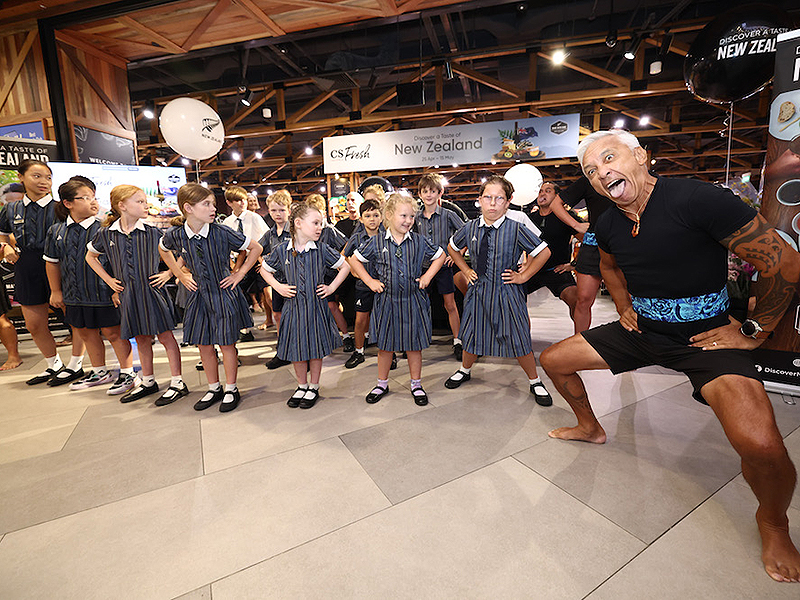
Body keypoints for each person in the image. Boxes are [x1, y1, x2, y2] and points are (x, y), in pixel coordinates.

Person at [540, 128, 800, 583]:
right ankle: (589, 425)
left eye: (609, 158)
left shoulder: (698, 200)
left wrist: (755, 332)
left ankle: (774, 521)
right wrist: (622, 305)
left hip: (708, 340)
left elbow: (784, 262)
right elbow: (607, 264)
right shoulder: (607, 222)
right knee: (554, 361)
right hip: (644, 333)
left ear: (641, 156)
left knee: (762, 445)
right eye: (591, 170)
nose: (602, 172)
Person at [445, 175, 554, 406]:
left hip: (507, 292)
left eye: (499, 198)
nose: (493, 203)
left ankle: (534, 380)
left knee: (519, 336)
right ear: (480, 200)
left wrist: (524, 275)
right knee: (472, 333)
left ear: (508, 201)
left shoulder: (516, 229)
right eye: (488, 198)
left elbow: (543, 252)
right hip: (478, 291)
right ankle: (465, 370)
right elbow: (452, 248)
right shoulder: (470, 227)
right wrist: (464, 269)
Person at [159, 183, 262, 412]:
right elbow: (163, 249)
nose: (213, 208)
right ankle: (214, 387)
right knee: (203, 344)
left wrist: (240, 273)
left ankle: (231, 388)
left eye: (213, 204)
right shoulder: (176, 234)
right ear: (188, 208)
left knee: (227, 343)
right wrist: (179, 274)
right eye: (206, 204)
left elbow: (255, 248)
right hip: (197, 296)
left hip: (224, 293)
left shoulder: (222, 231)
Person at [87, 184, 186, 404]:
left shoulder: (153, 232)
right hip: (128, 295)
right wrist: (109, 280)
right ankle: (148, 381)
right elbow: (90, 257)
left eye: (144, 201)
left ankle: (178, 381)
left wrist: (169, 273)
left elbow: (182, 252)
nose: (145, 205)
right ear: (122, 205)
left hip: (153, 292)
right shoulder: (106, 233)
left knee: (166, 336)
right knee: (141, 337)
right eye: (139, 201)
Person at [350, 192, 446, 406]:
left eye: (412, 217)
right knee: (385, 346)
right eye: (403, 216)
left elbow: (440, 255)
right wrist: (370, 281)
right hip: (386, 302)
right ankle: (382, 383)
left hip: (414, 301)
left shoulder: (420, 241)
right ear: (389, 215)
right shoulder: (375, 243)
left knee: (414, 346)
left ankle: (416, 384)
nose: (408, 221)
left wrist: (428, 276)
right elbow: (354, 260)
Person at [43, 179, 134, 394]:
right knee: (85, 332)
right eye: (84, 198)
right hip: (74, 294)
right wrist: (56, 291)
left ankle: (128, 373)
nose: (92, 202)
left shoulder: (105, 228)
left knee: (113, 333)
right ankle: (99, 371)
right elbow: (52, 262)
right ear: (68, 203)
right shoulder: (56, 231)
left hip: (104, 293)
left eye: (93, 197)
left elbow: (119, 261)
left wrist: (115, 289)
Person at [0, 159, 86, 385]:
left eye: (48, 177)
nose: (43, 182)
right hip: (26, 264)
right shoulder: (11, 208)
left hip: (60, 263)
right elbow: (2, 233)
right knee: (34, 324)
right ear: (21, 177)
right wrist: (5, 245)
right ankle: (53, 365)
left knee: (73, 318)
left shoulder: (62, 207)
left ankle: (76, 365)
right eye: (36, 176)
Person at [261, 203, 351, 409]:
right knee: (296, 349)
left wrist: (331, 288)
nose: (320, 227)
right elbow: (264, 270)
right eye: (316, 223)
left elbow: (345, 266)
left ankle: (314, 386)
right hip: (292, 309)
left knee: (315, 350)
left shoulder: (322, 249)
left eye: (321, 223)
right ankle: (301, 385)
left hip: (315, 308)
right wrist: (278, 286)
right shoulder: (282, 250)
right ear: (299, 223)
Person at [548, 174, 614, 333]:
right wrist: (576, 225)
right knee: (583, 300)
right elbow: (556, 204)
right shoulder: (588, 180)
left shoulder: (629, 177)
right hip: (593, 245)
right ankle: (580, 342)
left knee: (629, 300)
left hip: (624, 244)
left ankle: (637, 342)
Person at [414, 173, 466, 360]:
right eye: (425, 191)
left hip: (444, 268)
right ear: (419, 193)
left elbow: (466, 234)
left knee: (450, 304)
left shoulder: (448, 215)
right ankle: (415, 341)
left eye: (433, 191)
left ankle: (458, 341)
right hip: (423, 268)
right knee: (419, 305)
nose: (429, 195)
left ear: (440, 192)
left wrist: (456, 254)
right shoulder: (415, 217)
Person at [305, 193, 353, 351]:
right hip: (310, 275)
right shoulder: (305, 232)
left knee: (332, 305)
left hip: (328, 276)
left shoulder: (329, 230)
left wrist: (338, 260)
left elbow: (346, 243)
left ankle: (346, 336)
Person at [342, 197, 386, 369]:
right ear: (361, 219)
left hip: (383, 285)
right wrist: (353, 270)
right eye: (367, 216)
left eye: (375, 215)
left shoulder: (386, 236)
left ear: (381, 217)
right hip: (362, 286)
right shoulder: (357, 237)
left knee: (383, 319)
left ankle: (388, 351)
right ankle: (359, 352)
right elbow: (345, 255)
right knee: (360, 320)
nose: (372, 219)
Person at [221, 186, 269, 340]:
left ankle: (276, 324)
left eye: (244, 200)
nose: (242, 203)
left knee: (268, 294)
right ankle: (245, 329)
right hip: (238, 263)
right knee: (237, 294)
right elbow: (226, 247)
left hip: (258, 259)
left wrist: (263, 260)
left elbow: (266, 239)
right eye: (237, 200)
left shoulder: (255, 217)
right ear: (229, 203)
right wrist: (232, 266)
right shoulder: (227, 222)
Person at [526, 182, 579, 319]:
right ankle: (521, 334)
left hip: (556, 271)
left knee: (576, 301)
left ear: (557, 196)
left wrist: (573, 265)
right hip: (532, 270)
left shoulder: (566, 217)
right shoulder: (530, 219)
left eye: (547, 191)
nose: (542, 193)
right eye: (540, 191)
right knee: (511, 295)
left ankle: (580, 336)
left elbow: (588, 240)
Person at [258, 189, 292, 369]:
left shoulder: (295, 230)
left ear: (289, 210)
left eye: (281, 210)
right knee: (278, 315)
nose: (277, 214)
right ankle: (283, 350)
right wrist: (263, 262)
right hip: (277, 282)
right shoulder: (270, 234)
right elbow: (256, 247)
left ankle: (300, 350)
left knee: (295, 317)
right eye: (273, 210)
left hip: (295, 281)